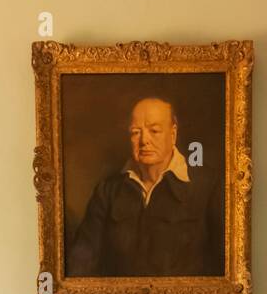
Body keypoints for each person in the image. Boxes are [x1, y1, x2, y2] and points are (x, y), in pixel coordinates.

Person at [66, 97, 223, 277]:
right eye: (135, 132)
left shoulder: (208, 185)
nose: (144, 141)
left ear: (173, 134)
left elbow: (224, 265)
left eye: (154, 131)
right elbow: (82, 260)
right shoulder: (107, 190)